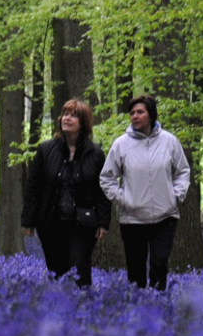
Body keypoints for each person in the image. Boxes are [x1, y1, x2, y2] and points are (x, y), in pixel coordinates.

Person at [99, 94, 191, 291]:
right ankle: (137, 311)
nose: (135, 116)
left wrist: (176, 196)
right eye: (132, 113)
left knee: (159, 264)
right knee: (136, 270)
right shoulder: (121, 144)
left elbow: (183, 171)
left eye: (140, 112)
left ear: (151, 115)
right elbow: (106, 178)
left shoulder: (170, 142)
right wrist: (124, 199)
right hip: (133, 219)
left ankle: (157, 310)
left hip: (165, 216)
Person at [21, 99, 111, 287]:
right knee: (56, 270)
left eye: (73, 115)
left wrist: (103, 222)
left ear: (83, 122)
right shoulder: (46, 150)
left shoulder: (95, 153)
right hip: (50, 222)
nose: (67, 118)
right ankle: (59, 310)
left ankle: (85, 310)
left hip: (83, 223)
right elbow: (33, 187)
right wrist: (28, 220)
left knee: (80, 267)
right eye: (65, 114)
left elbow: (102, 189)